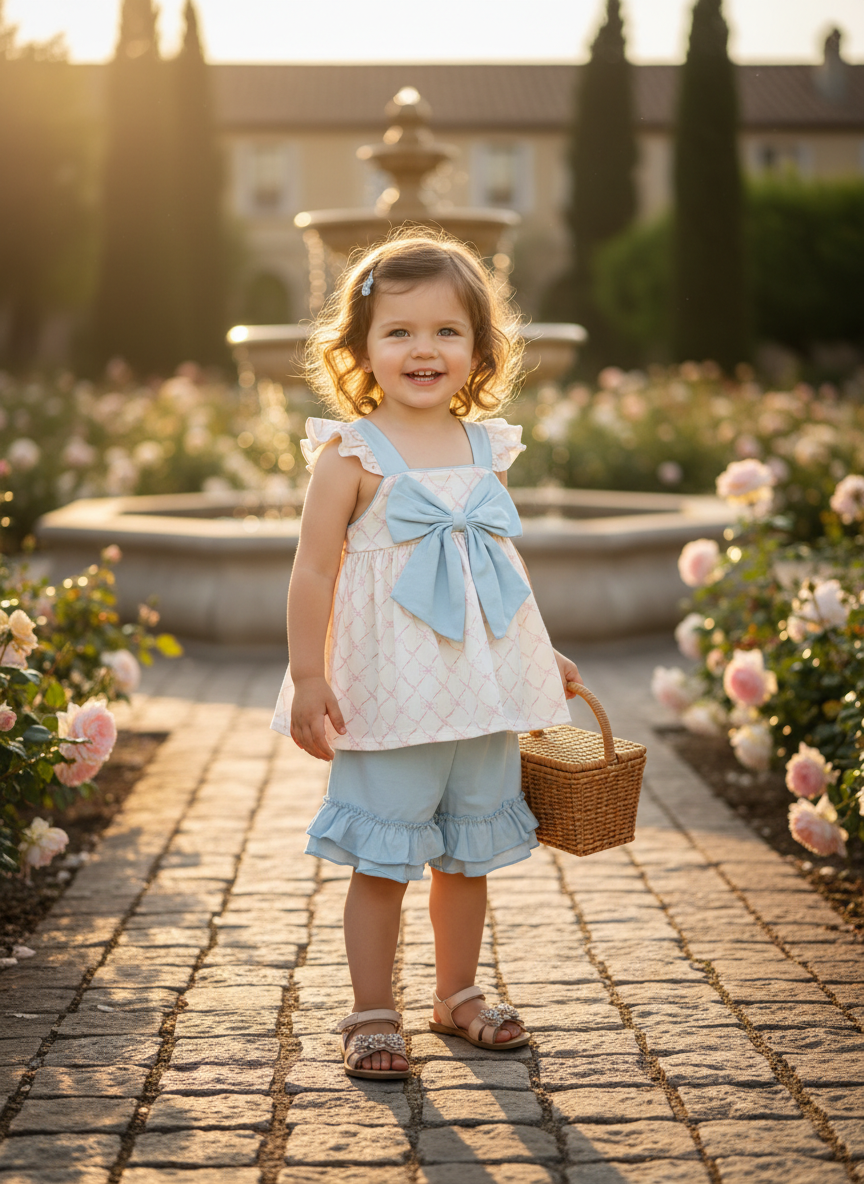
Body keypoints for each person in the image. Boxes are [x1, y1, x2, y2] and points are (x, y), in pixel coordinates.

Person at [271, 232, 582, 1081]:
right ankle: (373, 1010)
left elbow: (499, 572)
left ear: (480, 348)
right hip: (389, 695)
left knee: (467, 855)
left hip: (479, 693)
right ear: (362, 348)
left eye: (447, 331)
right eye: (399, 331)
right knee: (383, 858)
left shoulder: (488, 451)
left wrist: (541, 656)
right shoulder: (352, 454)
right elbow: (313, 569)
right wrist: (308, 674)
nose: (423, 349)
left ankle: (458, 994)